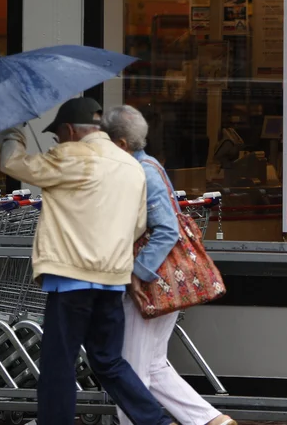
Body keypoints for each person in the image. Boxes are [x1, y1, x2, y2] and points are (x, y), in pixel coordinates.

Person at [0, 98, 176, 425]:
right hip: (113, 279)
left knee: (58, 365)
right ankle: (156, 422)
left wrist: (13, 130)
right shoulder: (131, 165)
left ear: (68, 130)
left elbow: (13, 163)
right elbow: (137, 225)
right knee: (109, 361)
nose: (57, 142)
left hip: (71, 279)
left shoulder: (69, 156)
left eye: (57, 136)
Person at [101, 105, 236, 425]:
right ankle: (210, 421)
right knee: (153, 364)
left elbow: (166, 229)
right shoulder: (148, 167)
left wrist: (137, 273)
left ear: (120, 144)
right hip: (165, 278)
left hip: (154, 279)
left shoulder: (142, 171)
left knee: (132, 369)